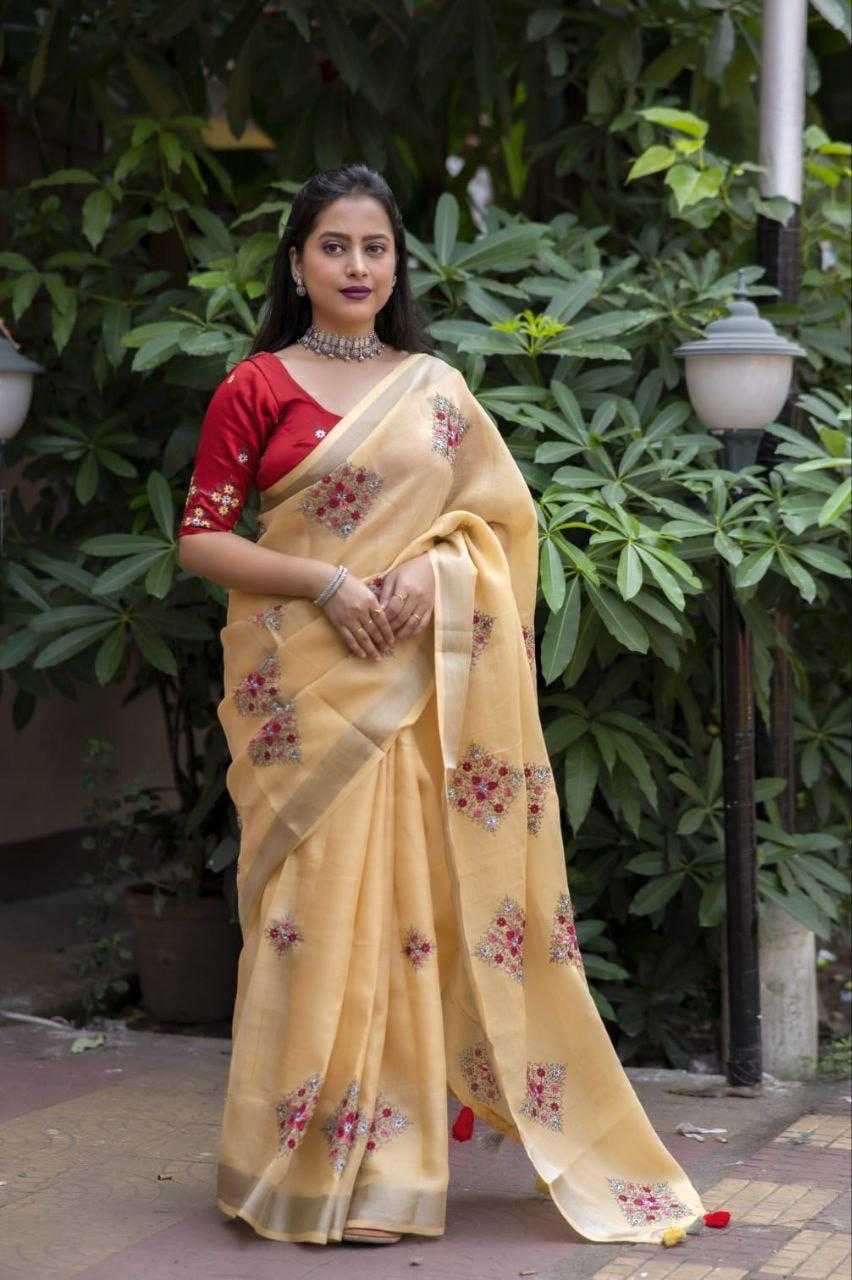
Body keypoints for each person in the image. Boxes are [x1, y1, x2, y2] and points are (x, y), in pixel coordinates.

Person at [177, 163, 706, 1248]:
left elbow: (502, 527)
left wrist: (439, 567)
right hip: (307, 697)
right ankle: (292, 1167)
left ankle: (392, 1173)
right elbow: (201, 537)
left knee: (407, 920)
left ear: (397, 265)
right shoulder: (255, 386)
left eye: (374, 247)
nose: (356, 266)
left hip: (413, 696)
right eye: (334, 246)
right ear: (297, 264)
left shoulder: (438, 391)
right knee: (312, 915)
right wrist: (328, 581)